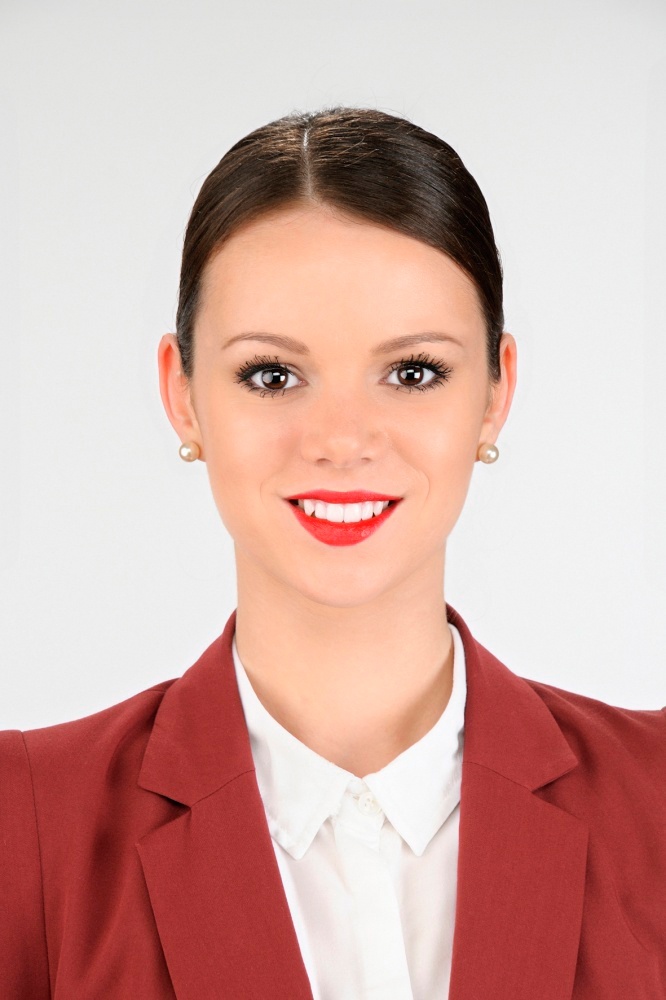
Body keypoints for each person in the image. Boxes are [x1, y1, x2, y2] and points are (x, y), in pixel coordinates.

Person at [1, 106, 664, 1000]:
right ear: (183, 395)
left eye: (413, 372)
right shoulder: (27, 824)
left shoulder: (656, 800)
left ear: (495, 393)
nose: (342, 441)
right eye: (273, 375)